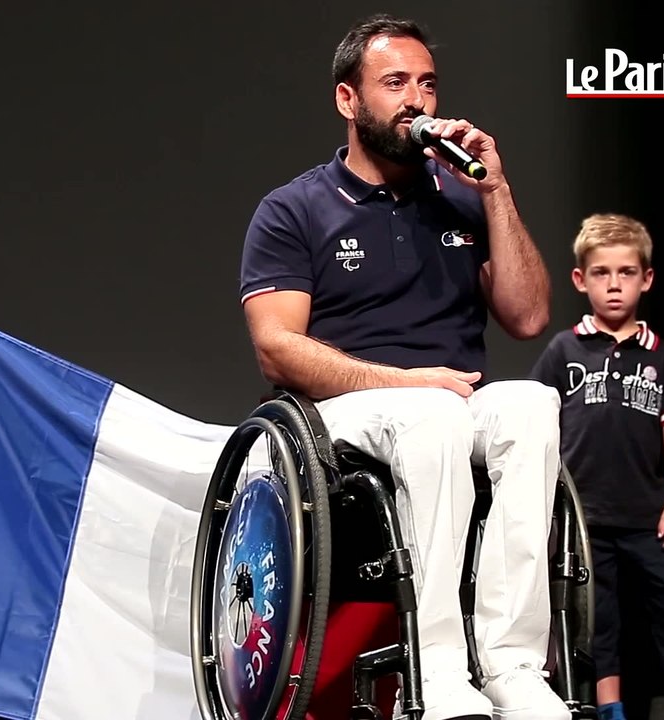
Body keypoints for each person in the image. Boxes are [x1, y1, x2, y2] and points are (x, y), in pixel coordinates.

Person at [239, 14, 570, 720]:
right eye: (395, 83)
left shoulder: (459, 196)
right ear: (348, 100)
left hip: (449, 399)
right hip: (342, 414)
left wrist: (496, 193)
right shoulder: (293, 209)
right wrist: (406, 383)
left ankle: (512, 666)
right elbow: (278, 347)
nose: (416, 99)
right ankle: (441, 673)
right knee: (434, 414)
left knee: (532, 404)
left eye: (427, 83)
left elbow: (528, 317)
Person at [529, 214, 664, 720]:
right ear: (580, 279)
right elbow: (535, 424)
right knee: (599, 620)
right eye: (601, 273)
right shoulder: (563, 350)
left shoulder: (660, 356)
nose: (614, 284)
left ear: (646, 278)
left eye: (625, 272)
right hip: (584, 519)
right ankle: (609, 709)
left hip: (646, 513)